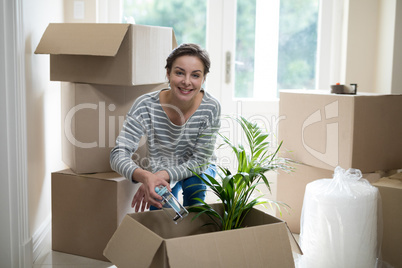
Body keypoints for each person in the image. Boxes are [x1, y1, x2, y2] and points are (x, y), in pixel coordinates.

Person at [110, 43, 221, 212]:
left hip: (199, 167)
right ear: (168, 73)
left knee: (194, 185)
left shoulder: (211, 107)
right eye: (179, 73)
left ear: (204, 79)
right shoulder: (145, 105)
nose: (186, 82)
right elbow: (117, 155)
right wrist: (147, 177)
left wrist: (161, 175)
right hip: (160, 169)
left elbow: (200, 161)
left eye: (195, 75)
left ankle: (196, 234)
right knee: (161, 210)